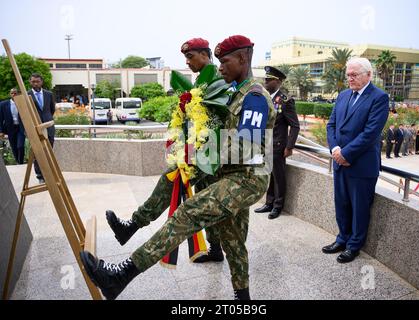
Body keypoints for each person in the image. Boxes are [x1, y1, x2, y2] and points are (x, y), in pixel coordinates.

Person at [80, 35, 276, 300]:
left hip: (247, 179)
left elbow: (247, 146)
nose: (220, 68)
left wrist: (200, 154)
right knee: (234, 240)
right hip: (233, 175)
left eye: (225, 61)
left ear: (242, 59)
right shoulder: (238, 92)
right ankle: (243, 300)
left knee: (188, 213)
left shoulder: (254, 97)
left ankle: (120, 276)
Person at [104, 38, 225, 265]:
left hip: (209, 152)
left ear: (205, 55)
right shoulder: (202, 81)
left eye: (191, 57)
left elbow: (213, 120)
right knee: (206, 201)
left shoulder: (216, 80)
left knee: (170, 179)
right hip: (202, 150)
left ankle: (132, 225)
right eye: (185, 58)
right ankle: (216, 249)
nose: (187, 62)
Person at [323, 57, 389, 264]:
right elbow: (331, 125)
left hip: (361, 166)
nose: (350, 78)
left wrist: (346, 154)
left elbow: (370, 133)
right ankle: (342, 238)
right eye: (348, 75)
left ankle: (353, 246)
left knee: (359, 208)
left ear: (368, 75)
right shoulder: (343, 96)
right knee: (341, 204)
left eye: (354, 75)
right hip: (339, 162)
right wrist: (335, 149)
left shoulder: (379, 98)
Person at [254, 66, 300, 220]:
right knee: (270, 176)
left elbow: (295, 125)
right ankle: (269, 203)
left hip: (279, 146)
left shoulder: (286, 101)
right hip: (265, 144)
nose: (265, 82)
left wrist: (289, 146)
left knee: (279, 177)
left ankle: (277, 206)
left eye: (269, 79)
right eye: (265, 79)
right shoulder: (265, 98)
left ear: (278, 81)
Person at [28, 74, 56, 183]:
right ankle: (40, 176)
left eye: (38, 81)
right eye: (33, 81)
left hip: (49, 127)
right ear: (30, 82)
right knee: (38, 153)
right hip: (35, 128)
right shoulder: (27, 95)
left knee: (49, 152)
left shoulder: (49, 94)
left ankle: (50, 174)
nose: (35, 83)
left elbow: (51, 109)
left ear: (41, 82)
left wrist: (48, 120)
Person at [0, 88, 26, 164]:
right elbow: (0, 119)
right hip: (10, 129)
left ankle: (20, 161)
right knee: (14, 147)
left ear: (18, 94)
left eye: (15, 93)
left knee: (20, 146)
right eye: (12, 93)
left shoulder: (23, 103)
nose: (13, 95)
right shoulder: (3, 104)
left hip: (20, 128)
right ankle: (18, 162)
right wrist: (1, 131)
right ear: (10, 94)